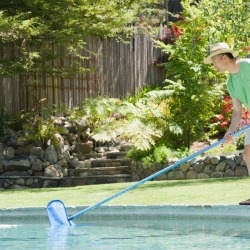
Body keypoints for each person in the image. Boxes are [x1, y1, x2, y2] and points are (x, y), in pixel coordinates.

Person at [204, 42, 250, 204]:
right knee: (248, 153)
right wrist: (230, 130)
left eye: (215, 61)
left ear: (224, 57)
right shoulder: (230, 83)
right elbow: (237, 111)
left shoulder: (248, 66)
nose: (214, 65)